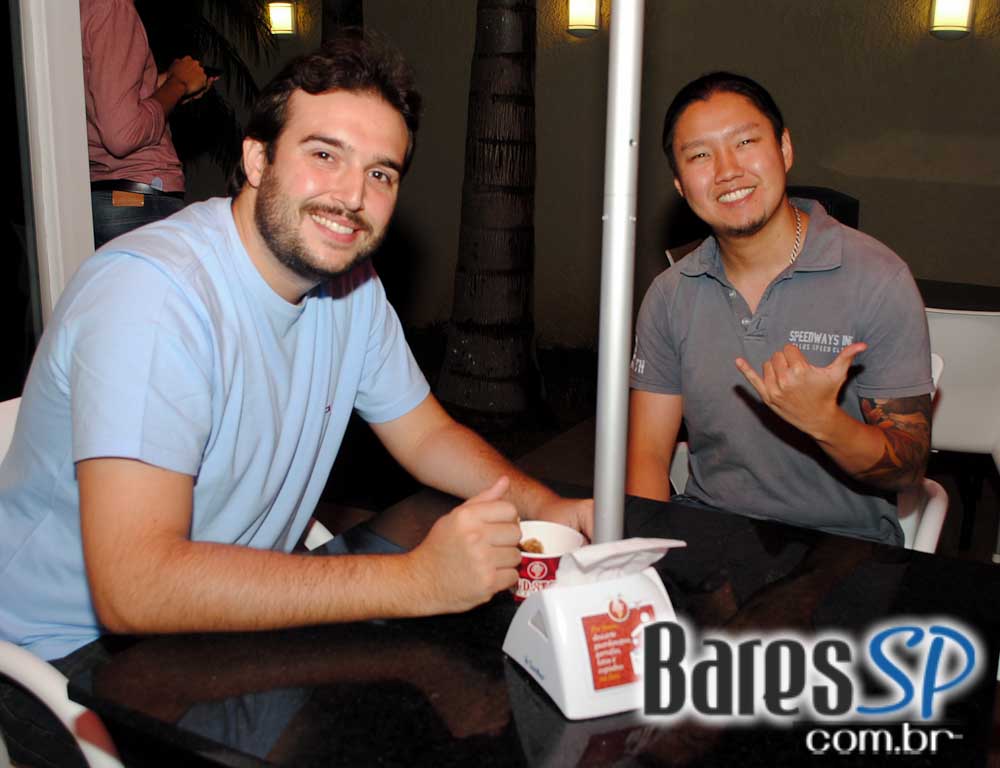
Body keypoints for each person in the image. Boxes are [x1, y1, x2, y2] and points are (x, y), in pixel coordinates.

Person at [1, 32, 592, 667]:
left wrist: (545, 506)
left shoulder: (352, 288)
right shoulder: (152, 297)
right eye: (325, 154)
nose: (353, 196)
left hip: (220, 624)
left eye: (380, 173)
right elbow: (135, 588)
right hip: (61, 656)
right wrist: (418, 580)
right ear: (258, 160)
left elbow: (426, 437)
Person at [627, 72, 931, 545]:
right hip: (709, 531)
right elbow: (647, 454)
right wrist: (643, 557)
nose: (727, 170)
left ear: (785, 149)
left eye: (745, 142)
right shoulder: (670, 294)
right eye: (701, 155)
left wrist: (825, 422)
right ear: (681, 186)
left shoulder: (876, 278)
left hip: (842, 545)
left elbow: (908, 466)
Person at [81, 0, 213, 247]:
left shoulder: (73, 11)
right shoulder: (113, 7)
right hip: (138, 199)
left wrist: (168, 86)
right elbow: (122, 135)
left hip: (105, 195)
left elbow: (103, 103)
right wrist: (178, 83)